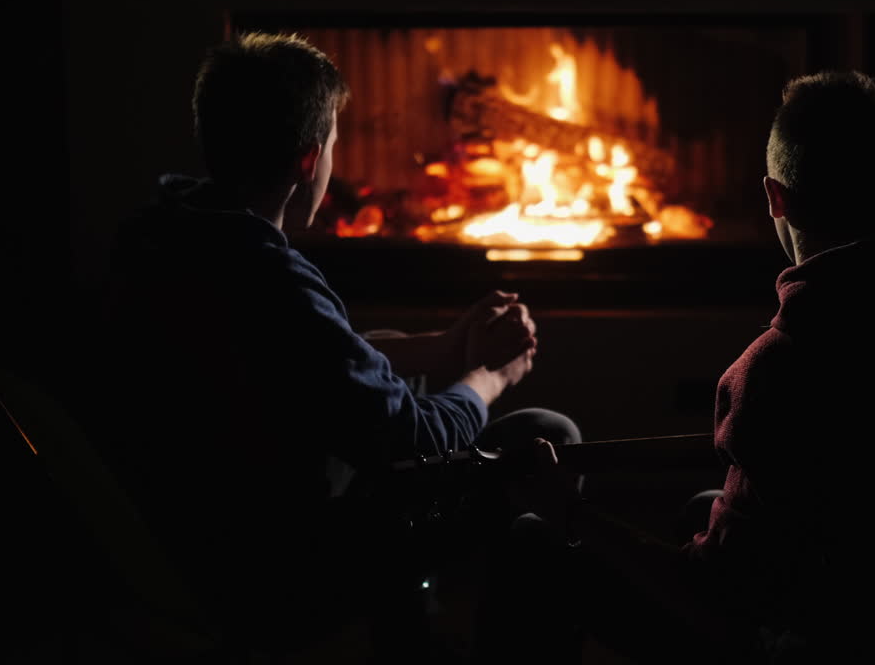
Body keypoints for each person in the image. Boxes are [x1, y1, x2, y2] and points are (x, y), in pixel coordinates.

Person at [485, 71, 875, 664]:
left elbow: (718, 596)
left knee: (533, 541)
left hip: (826, 640)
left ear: (775, 196)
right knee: (704, 507)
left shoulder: (776, 372)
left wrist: (568, 509)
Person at [96, 32, 578, 657]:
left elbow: (318, 361)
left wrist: (447, 345)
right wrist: (490, 377)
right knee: (549, 439)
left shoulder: (167, 233)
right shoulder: (268, 277)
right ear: (308, 160)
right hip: (267, 562)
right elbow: (411, 440)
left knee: (444, 389)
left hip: (172, 530)